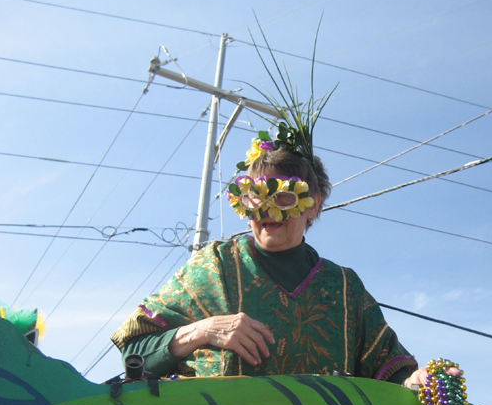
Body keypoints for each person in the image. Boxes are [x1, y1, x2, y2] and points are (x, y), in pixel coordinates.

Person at [112, 131, 455, 389]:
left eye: (284, 196)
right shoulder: (212, 267)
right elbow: (134, 351)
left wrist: (421, 381)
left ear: (313, 205)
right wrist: (203, 330)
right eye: (255, 197)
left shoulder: (344, 289)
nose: (266, 211)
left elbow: (391, 371)